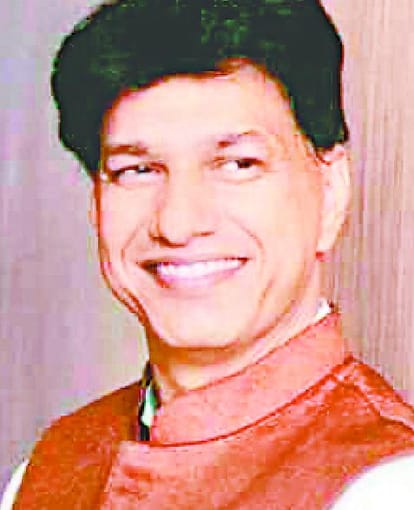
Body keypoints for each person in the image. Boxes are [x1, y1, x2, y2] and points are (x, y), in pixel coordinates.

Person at [3, 0, 414, 508]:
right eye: (137, 170)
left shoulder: (385, 486)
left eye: (238, 164)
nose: (178, 224)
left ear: (331, 191)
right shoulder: (46, 469)